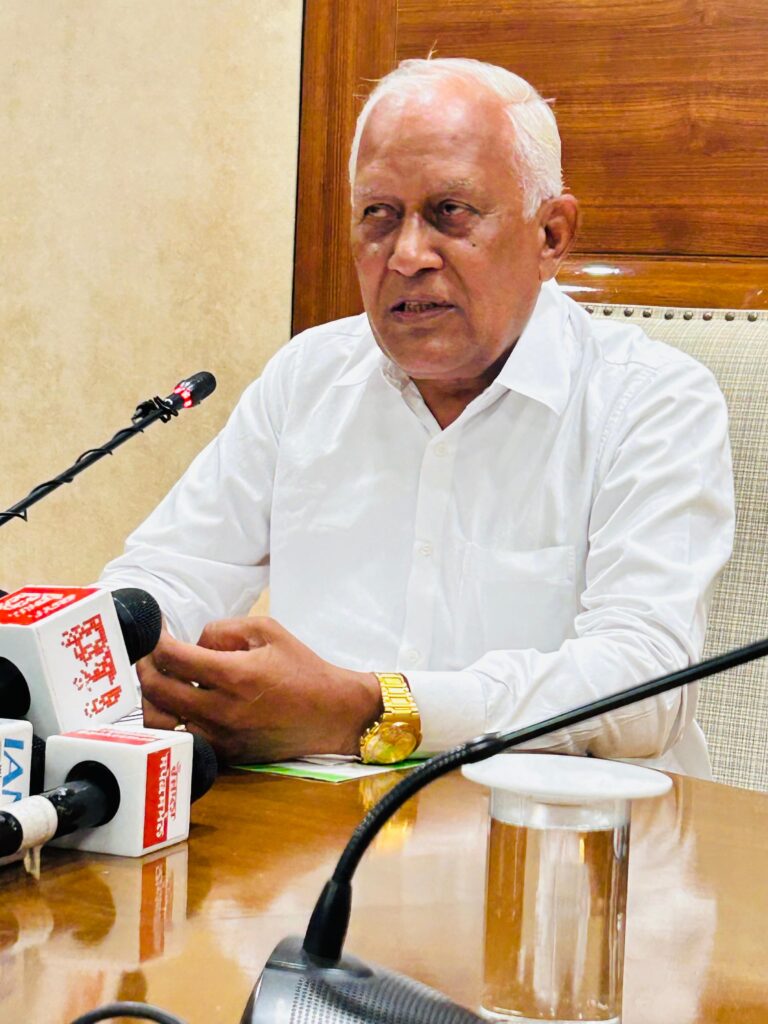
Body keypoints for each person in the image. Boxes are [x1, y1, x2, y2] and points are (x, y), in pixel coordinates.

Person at [99, 58, 734, 774]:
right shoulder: (309, 377)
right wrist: (134, 659)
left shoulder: (651, 400)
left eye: (449, 212)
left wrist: (368, 710)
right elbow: (171, 573)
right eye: (379, 215)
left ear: (551, 234)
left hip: (554, 831)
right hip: (318, 820)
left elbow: (645, 687)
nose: (405, 256)